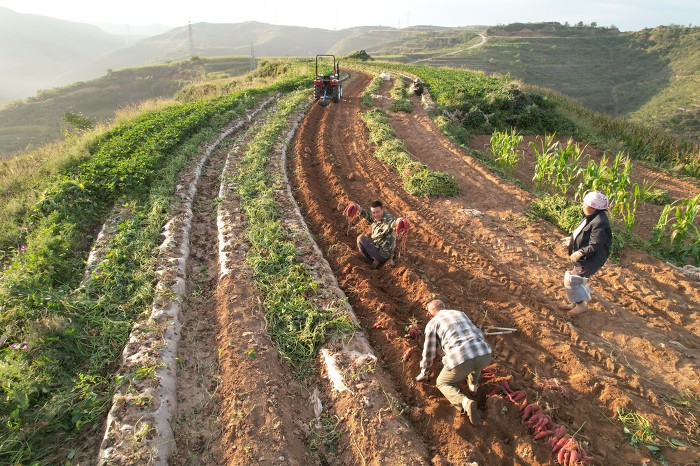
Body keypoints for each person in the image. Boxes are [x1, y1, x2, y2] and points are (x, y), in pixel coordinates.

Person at [415, 299, 492, 426]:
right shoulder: (460, 313)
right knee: (474, 359)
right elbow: (478, 333)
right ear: (445, 307)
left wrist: (424, 372)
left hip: (461, 358)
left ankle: (465, 403)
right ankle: (473, 386)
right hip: (485, 354)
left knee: (442, 382)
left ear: (430, 314)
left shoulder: (432, 323)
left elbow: (429, 352)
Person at [559, 191, 613, 316]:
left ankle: (581, 305)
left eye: (586, 205)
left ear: (594, 208)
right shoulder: (592, 217)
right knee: (576, 279)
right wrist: (572, 240)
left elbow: (595, 244)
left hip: (591, 259)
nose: (583, 206)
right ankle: (574, 302)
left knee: (572, 280)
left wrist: (580, 252)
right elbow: (585, 234)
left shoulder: (600, 223)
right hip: (587, 258)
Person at [346, 200, 401, 269]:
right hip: (379, 248)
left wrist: (399, 221)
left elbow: (393, 223)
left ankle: (370, 261)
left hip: (384, 254)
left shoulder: (387, 219)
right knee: (365, 240)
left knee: (361, 238)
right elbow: (368, 216)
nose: (375, 215)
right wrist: (358, 207)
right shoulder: (376, 218)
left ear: (383, 209)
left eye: (377, 212)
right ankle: (374, 260)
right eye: (373, 213)